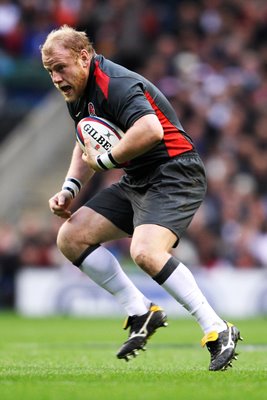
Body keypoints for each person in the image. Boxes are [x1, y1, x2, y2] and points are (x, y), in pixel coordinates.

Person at [40, 25, 242, 371]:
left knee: (146, 253)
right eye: (49, 71)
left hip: (175, 172)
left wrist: (105, 162)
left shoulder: (115, 84)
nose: (56, 78)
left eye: (60, 67)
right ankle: (140, 311)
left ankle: (217, 329)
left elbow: (151, 130)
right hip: (138, 177)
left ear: (84, 57)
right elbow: (85, 140)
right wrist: (70, 188)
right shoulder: (77, 93)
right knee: (71, 237)